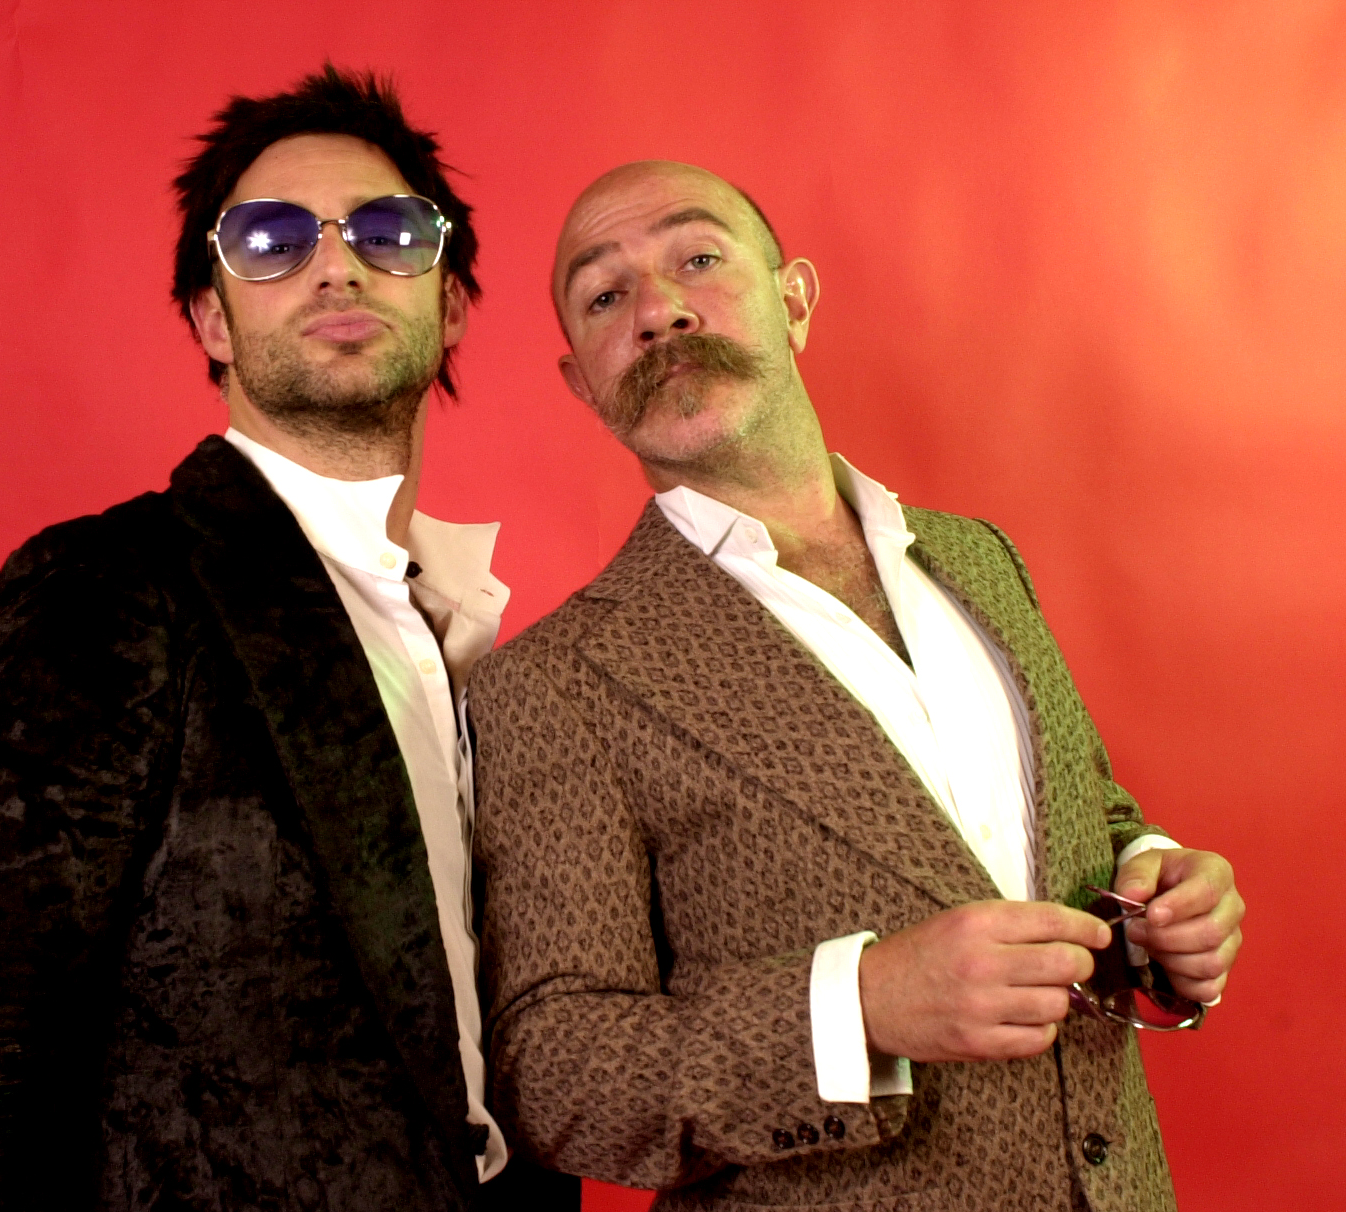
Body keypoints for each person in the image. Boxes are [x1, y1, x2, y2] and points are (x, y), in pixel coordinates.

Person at [469, 160, 1245, 1212]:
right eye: (605, 296)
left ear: (794, 301)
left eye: (698, 258)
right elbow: (561, 1076)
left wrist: (1157, 886)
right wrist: (860, 1008)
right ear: (582, 383)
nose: (658, 310)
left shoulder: (980, 561)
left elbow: (1083, 814)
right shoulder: (553, 684)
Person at [0, 66, 577, 1212]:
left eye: (387, 231)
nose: (335, 264)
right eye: (269, 240)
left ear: (450, 301)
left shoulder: (476, 645)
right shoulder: (106, 586)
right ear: (212, 317)